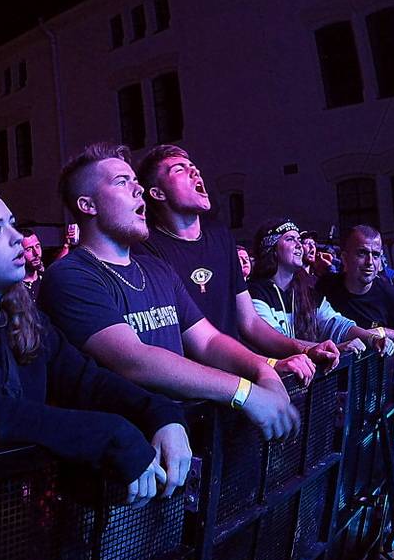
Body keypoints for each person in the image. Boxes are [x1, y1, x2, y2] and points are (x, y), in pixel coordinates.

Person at [0, 183, 188, 503]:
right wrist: (107, 434)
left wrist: (162, 413)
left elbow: (87, 380)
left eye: (12, 224)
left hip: (24, 517)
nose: (17, 238)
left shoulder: (23, 317)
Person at [39, 143, 300, 441]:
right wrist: (244, 392)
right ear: (88, 205)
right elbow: (134, 359)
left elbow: (208, 341)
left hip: (182, 440)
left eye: (135, 181)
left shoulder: (157, 269)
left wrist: (263, 369)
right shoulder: (71, 275)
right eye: (122, 182)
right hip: (124, 454)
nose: (138, 189)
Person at [134, 144, 337, 382]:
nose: (194, 172)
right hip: (190, 386)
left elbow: (250, 322)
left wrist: (304, 349)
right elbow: (191, 340)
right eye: (179, 169)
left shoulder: (220, 236)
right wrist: (269, 364)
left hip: (236, 375)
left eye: (193, 167)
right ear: (157, 193)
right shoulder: (147, 248)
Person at [247, 220, 390, 354]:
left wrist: (372, 339)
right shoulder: (254, 293)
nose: (299, 245)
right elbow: (275, 340)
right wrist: (328, 349)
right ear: (271, 248)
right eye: (290, 239)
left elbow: (336, 324)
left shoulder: (307, 291)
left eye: (299, 239)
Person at [318, 226, 394, 350]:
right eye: (362, 253)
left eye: (376, 255)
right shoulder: (325, 287)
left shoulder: (390, 295)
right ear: (345, 258)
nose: (370, 262)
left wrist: (383, 332)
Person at [20, 229, 46, 300]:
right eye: (29, 249)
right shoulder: (13, 288)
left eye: (37, 246)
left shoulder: (46, 279)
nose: (36, 253)